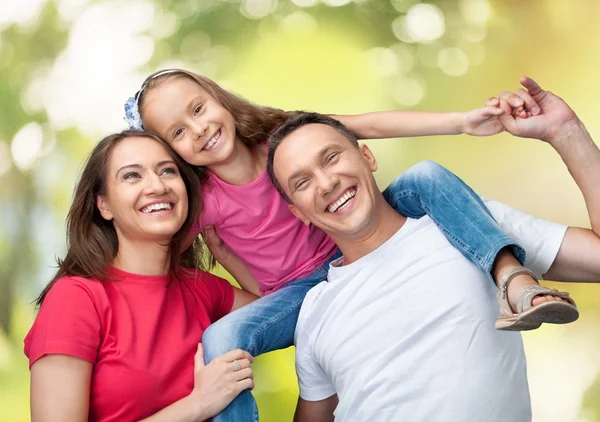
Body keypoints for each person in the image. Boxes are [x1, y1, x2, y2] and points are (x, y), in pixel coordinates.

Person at [123, 69, 579, 421]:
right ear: (173, 154)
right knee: (220, 336)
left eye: (198, 110)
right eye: (178, 133)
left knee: (423, 177)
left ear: (218, 98)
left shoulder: (282, 138)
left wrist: (461, 121)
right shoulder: (204, 201)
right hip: (301, 293)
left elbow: (371, 126)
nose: (197, 130)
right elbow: (154, 249)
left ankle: (512, 280)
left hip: (358, 234)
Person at [266, 77, 600, 422]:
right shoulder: (314, 311)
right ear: (298, 213)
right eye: (302, 182)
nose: (327, 183)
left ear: (367, 156)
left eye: (331, 158)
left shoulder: (468, 225)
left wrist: (565, 130)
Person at [24, 131, 258, 421]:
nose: (157, 186)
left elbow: (281, 312)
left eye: (168, 171)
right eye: (132, 176)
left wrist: (227, 256)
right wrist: (198, 404)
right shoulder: (76, 298)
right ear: (104, 206)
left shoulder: (200, 288)